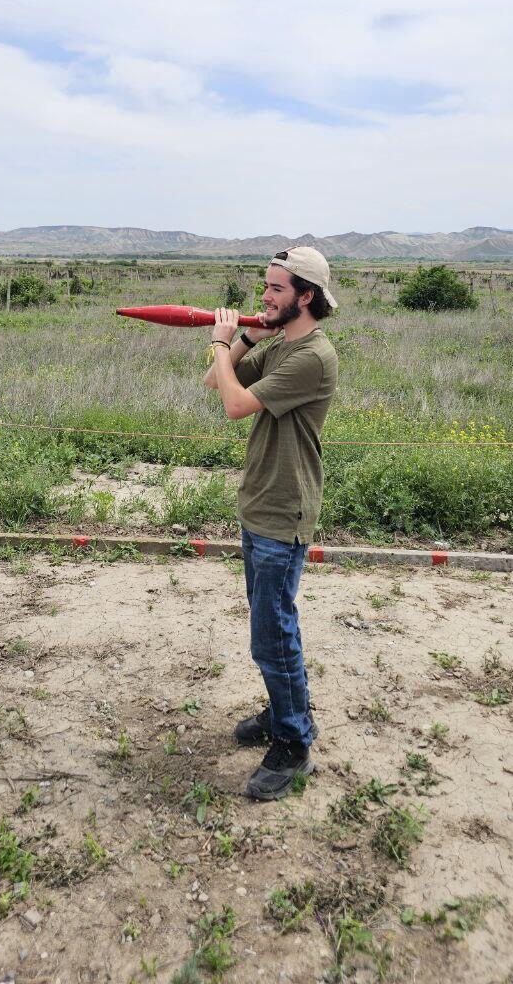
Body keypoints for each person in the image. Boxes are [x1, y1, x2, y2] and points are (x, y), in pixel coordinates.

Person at [204, 247, 339, 800]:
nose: (265, 298)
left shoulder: (312, 356)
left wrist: (218, 340)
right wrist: (243, 339)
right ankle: (283, 709)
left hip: (284, 512)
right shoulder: (282, 346)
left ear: (306, 295)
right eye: (266, 287)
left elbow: (236, 406)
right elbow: (218, 383)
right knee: (269, 628)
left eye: (277, 290)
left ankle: (293, 740)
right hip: (260, 503)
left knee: (273, 634)